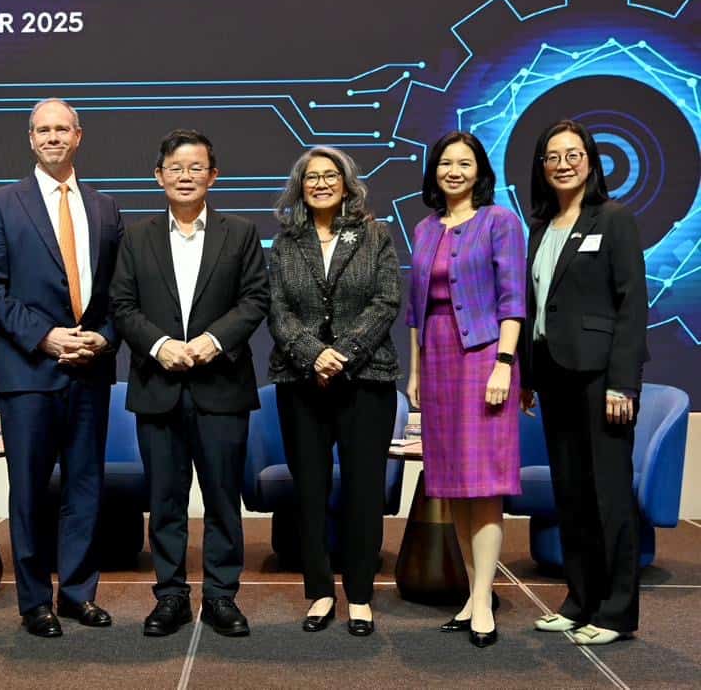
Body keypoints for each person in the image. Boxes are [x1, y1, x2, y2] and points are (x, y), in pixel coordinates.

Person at [111, 129, 269, 638]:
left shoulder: (240, 233)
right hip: (157, 386)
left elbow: (255, 299)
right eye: (175, 168)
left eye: (196, 167)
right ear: (158, 176)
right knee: (165, 501)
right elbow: (122, 305)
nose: (185, 176)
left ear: (213, 176)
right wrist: (160, 345)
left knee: (223, 499)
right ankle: (171, 596)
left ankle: (221, 596)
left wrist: (212, 341)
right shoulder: (136, 237)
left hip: (221, 387)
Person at [0, 98, 123, 638]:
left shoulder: (105, 206)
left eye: (63, 129)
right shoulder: (0, 203)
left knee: (85, 488)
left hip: (90, 368)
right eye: (44, 129)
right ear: (31, 138)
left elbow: (120, 291)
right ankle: (35, 601)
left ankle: (79, 594)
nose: (53, 137)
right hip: (29, 370)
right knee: (30, 492)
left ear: (78, 136)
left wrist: (103, 339)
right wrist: (45, 336)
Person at [521, 119, 648, 646]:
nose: (563, 164)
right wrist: (527, 375)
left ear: (591, 161)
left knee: (608, 496)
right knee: (571, 494)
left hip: (600, 379)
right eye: (552, 156)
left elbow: (632, 305)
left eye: (573, 154)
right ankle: (579, 601)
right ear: (542, 167)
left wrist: (623, 384)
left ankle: (615, 613)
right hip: (554, 375)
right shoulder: (541, 226)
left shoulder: (613, 219)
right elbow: (536, 305)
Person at [266, 147, 400, 637]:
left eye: (330, 176)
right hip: (301, 382)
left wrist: (340, 354)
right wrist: (312, 355)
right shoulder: (286, 242)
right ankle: (320, 591)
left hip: (366, 380)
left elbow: (386, 300)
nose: (321, 183)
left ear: (347, 184)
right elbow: (277, 309)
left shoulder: (375, 235)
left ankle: (360, 596)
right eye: (311, 177)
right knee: (310, 491)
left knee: (364, 490)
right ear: (300, 187)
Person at [405, 132, 525, 648]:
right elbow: (416, 310)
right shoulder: (424, 228)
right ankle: (474, 597)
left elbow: (513, 299)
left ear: (480, 171)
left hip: (484, 358)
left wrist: (504, 364)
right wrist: (415, 372)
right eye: (445, 163)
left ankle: (482, 601)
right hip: (436, 361)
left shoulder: (500, 221)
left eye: (464, 163)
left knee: (485, 484)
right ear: (434, 171)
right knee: (453, 484)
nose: (454, 171)